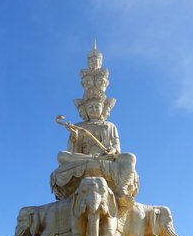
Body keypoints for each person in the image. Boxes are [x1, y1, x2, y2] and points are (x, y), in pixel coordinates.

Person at [50, 43, 139, 208]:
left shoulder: (110, 126)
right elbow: (72, 152)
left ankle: (121, 192)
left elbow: (116, 148)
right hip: (85, 158)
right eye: (90, 106)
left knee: (130, 157)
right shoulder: (79, 125)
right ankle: (92, 162)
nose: (93, 109)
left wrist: (112, 151)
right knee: (61, 155)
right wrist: (74, 136)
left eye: (96, 106)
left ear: (103, 108)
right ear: (84, 109)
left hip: (106, 158)